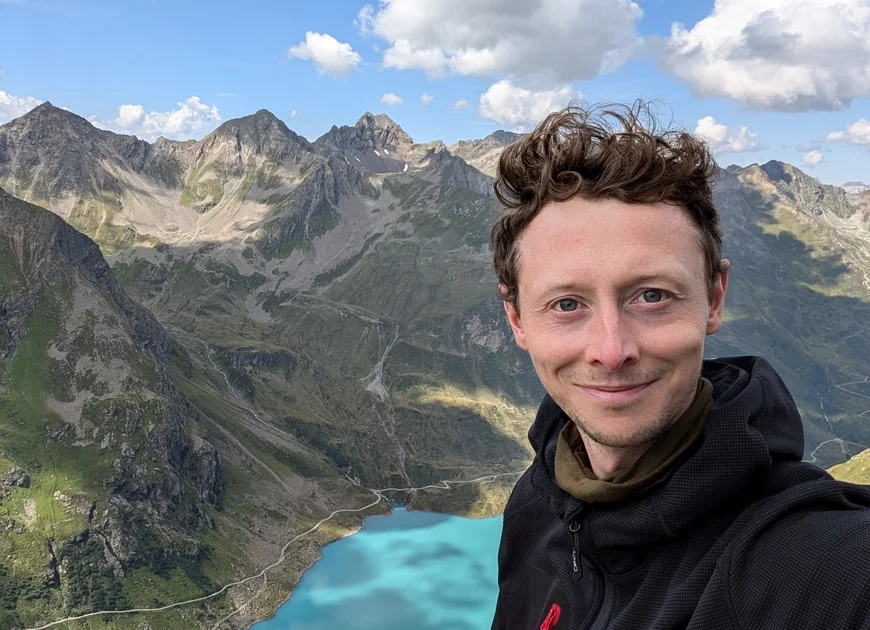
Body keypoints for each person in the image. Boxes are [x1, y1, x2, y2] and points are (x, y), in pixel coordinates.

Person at [488, 102, 870, 630]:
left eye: (651, 295)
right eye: (567, 304)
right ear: (518, 320)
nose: (611, 349)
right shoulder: (537, 504)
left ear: (713, 299)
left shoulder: (809, 560)